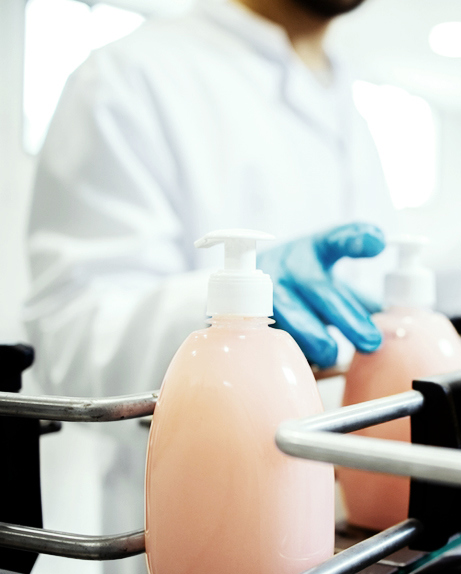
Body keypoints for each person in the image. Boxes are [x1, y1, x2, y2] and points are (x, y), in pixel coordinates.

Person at [25, 0, 395, 399]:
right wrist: (227, 311)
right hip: (186, 456)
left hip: (356, 451)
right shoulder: (127, 74)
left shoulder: (350, 94)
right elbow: (71, 341)